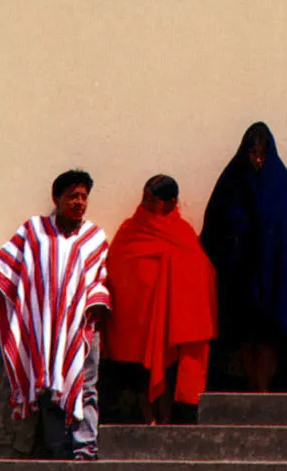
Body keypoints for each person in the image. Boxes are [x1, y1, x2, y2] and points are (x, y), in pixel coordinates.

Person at [0, 170, 110, 460]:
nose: (79, 202)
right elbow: (7, 263)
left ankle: (85, 447)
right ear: (57, 198)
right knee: (48, 386)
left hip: (80, 327)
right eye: (72, 196)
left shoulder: (94, 237)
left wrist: (98, 302)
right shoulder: (34, 231)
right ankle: (58, 448)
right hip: (42, 329)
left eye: (84, 197)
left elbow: (98, 278)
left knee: (85, 386)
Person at [200, 122, 287, 391]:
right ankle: (252, 385)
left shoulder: (281, 187)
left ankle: (263, 390)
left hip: (272, 282)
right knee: (246, 337)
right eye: (252, 154)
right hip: (240, 281)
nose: (257, 160)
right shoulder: (232, 183)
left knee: (268, 337)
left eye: (261, 154)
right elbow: (213, 228)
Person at [104, 175, 217, 425]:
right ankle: (148, 418)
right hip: (138, 316)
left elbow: (200, 271)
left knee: (168, 370)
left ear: (171, 202)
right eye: (144, 198)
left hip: (170, 320)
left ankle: (165, 418)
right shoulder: (130, 229)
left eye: (152, 201)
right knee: (141, 373)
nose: (145, 204)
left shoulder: (182, 231)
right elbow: (117, 265)